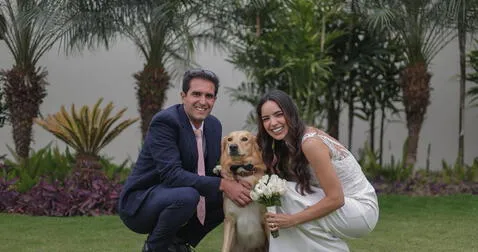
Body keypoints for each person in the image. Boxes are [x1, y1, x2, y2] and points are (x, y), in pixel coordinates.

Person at [118, 69, 252, 252]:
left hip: (179, 195)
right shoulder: (165, 122)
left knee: (230, 197)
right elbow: (172, 175)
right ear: (183, 96)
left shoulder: (213, 125)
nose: (203, 101)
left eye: (209, 96)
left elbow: (213, 169)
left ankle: (179, 244)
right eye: (196, 94)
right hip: (141, 203)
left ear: (214, 99)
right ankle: (154, 248)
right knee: (189, 195)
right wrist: (224, 184)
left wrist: (244, 179)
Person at [256, 90, 379, 252]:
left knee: (281, 191)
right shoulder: (289, 143)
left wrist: (292, 220)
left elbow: (336, 199)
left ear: (290, 113)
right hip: (347, 209)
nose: (272, 123)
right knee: (278, 193)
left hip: (360, 211)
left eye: (278, 114)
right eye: (266, 119)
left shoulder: (310, 143)